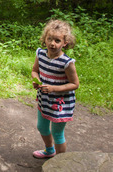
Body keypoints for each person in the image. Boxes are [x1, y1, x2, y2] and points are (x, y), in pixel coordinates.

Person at [31, 19, 79, 159]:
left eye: (57, 40)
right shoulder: (40, 54)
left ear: (65, 43)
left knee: (57, 133)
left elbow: (75, 84)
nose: (52, 43)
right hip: (44, 100)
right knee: (42, 127)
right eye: (49, 39)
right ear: (44, 39)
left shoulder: (67, 63)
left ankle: (60, 162)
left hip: (60, 104)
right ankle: (49, 150)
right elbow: (35, 70)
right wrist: (37, 80)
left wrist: (53, 88)